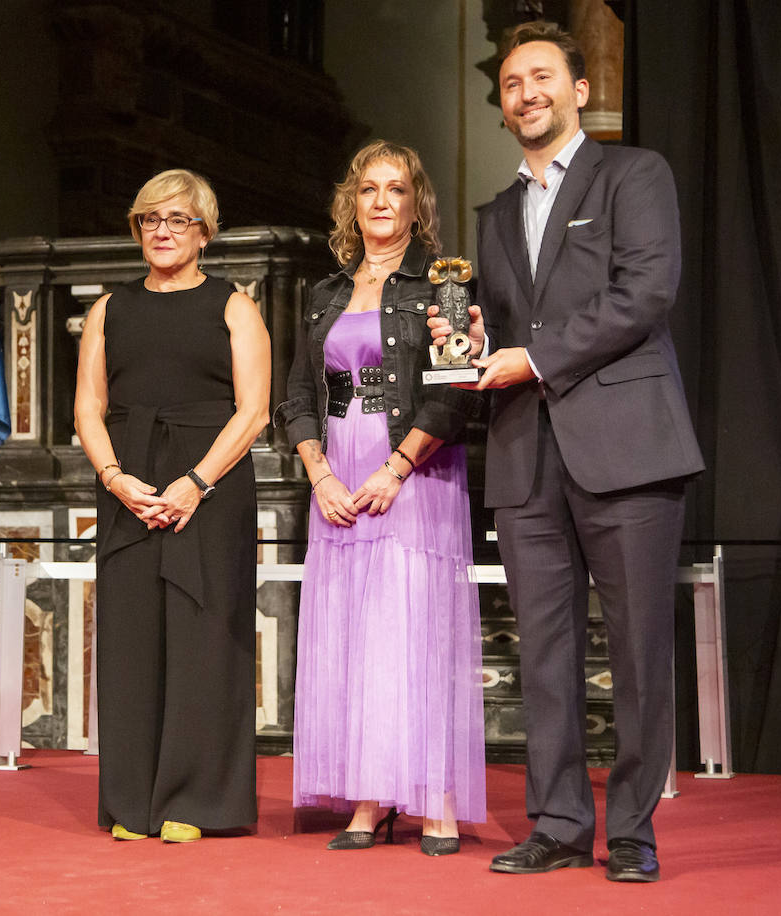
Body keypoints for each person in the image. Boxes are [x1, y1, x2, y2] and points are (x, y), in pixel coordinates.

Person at [431, 22, 704, 881]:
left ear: (579, 89)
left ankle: (631, 831)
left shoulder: (633, 174)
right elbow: (512, 330)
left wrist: (534, 355)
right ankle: (555, 823)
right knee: (542, 654)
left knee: (636, 654)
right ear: (503, 105)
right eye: (512, 84)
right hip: (525, 454)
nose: (527, 94)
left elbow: (646, 292)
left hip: (628, 448)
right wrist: (474, 338)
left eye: (542, 77)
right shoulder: (493, 213)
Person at [276, 140, 486, 856]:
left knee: (415, 633)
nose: (382, 202)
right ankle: (367, 799)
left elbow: (457, 393)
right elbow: (298, 397)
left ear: (415, 203)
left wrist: (395, 469)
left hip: (413, 476)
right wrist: (320, 474)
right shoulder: (324, 294)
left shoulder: (448, 284)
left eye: (397, 190)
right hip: (338, 480)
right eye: (369, 189)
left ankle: (435, 798)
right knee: (356, 637)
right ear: (352, 201)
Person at [74, 169, 270, 843]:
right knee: (131, 642)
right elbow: (88, 407)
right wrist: (115, 478)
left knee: (203, 640)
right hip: (128, 485)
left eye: (178, 220)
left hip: (209, 486)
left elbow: (254, 411)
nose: (162, 231)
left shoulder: (234, 306)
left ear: (205, 233)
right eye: (149, 219)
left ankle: (197, 801)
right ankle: (133, 803)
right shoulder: (109, 308)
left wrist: (195, 482)